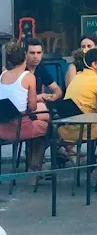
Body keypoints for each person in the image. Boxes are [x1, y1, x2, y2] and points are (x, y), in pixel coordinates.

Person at [61, 48, 97, 184]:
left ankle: (93, 166)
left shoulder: (79, 76)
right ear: (94, 65)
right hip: (85, 128)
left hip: (67, 128)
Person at [0, 42, 49, 171]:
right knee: (49, 129)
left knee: (40, 119)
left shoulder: (2, 76)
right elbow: (32, 107)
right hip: (20, 127)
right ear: (25, 58)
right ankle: (34, 168)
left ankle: (32, 164)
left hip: (2, 128)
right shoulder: (28, 76)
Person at [25, 38, 62, 103]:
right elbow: (16, 99)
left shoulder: (40, 68)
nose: (35, 56)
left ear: (42, 54)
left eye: (38, 53)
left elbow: (57, 90)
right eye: (32, 53)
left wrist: (54, 96)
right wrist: (38, 97)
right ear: (25, 54)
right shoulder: (20, 70)